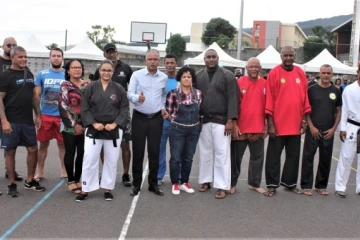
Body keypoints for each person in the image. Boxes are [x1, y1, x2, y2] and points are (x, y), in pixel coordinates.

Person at [77, 59, 129, 202]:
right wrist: (93, 123)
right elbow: (85, 108)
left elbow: (124, 109)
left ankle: (107, 188)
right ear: (99, 71)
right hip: (94, 128)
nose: (106, 73)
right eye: (104, 70)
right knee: (90, 158)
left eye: (109, 70)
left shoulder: (119, 88)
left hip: (113, 129)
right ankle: (86, 188)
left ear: (113, 72)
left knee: (111, 160)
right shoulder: (90, 87)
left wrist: (115, 123)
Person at [263, 46, 311, 197]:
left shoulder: (300, 73)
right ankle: (271, 185)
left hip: (295, 123)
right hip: (278, 124)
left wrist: (304, 121)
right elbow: (269, 98)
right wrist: (270, 124)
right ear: (281, 56)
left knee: (293, 156)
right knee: (273, 156)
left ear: (295, 55)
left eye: (291, 55)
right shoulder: (274, 73)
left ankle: (290, 184)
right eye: (286, 55)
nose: (289, 58)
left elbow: (304, 98)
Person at [0, 46, 45, 197]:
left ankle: (30, 180)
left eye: (25, 57)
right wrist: (4, 121)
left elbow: (33, 96)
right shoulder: (6, 75)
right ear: (12, 58)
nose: (24, 59)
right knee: (10, 152)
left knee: (33, 149)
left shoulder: (29, 73)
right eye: (20, 57)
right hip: (11, 121)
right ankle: (12, 184)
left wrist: (38, 115)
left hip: (27, 121)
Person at [194, 49, 239, 199]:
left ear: (218, 59)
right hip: (204, 119)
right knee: (205, 152)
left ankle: (222, 186)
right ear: (204, 59)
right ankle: (206, 180)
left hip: (222, 120)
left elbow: (233, 98)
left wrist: (230, 120)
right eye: (208, 57)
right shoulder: (198, 76)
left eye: (214, 57)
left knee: (222, 153)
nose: (211, 59)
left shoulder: (228, 75)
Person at [127, 49, 168, 197]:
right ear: (145, 60)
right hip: (140, 118)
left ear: (159, 61)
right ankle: (136, 185)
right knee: (138, 152)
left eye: (155, 59)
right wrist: (138, 98)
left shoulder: (163, 77)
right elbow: (129, 93)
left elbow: (163, 96)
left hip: (156, 119)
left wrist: (163, 108)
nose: (152, 62)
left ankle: (153, 184)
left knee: (154, 152)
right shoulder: (136, 75)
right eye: (150, 59)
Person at [93, 43, 133, 187]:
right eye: (109, 52)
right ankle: (106, 172)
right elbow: (95, 89)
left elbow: (133, 87)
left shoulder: (126, 69)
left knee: (125, 143)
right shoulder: (100, 70)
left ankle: (126, 174)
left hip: (123, 112)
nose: (112, 54)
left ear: (117, 53)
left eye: (114, 52)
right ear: (105, 55)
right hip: (104, 113)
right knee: (104, 143)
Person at [300, 64, 341, 196]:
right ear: (319, 73)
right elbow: (306, 110)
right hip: (313, 131)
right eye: (323, 73)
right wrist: (310, 126)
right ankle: (306, 185)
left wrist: (333, 129)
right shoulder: (311, 90)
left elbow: (339, 111)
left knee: (325, 159)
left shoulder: (335, 91)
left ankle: (321, 185)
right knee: (308, 158)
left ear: (332, 74)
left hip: (328, 131)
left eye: (328, 73)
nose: (326, 75)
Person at [229, 57, 267, 194]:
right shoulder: (239, 82)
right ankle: (232, 183)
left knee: (257, 158)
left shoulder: (265, 83)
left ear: (260, 68)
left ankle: (254, 183)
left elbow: (268, 106)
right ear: (246, 67)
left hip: (258, 128)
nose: (254, 69)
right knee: (235, 159)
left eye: (256, 66)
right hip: (240, 128)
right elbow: (233, 104)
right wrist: (234, 125)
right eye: (251, 66)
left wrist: (267, 124)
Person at [166, 66, 202, 195]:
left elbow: (200, 111)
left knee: (188, 158)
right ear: (180, 78)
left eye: (189, 77)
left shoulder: (198, 93)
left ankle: (184, 182)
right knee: (176, 157)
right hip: (177, 129)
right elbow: (169, 112)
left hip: (193, 130)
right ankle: (175, 183)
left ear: (192, 79)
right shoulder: (173, 93)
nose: (186, 79)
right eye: (184, 76)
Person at [34, 48, 66, 181]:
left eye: (59, 56)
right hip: (46, 115)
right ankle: (40, 171)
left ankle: (64, 169)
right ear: (49, 58)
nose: (56, 58)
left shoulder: (67, 74)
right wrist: (37, 115)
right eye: (54, 56)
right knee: (43, 144)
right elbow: (36, 95)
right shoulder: (42, 74)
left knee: (62, 144)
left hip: (62, 116)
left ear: (62, 58)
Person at [59, 59, 88, 194]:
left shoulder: (88, 85)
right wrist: (74, 124)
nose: (77, 69)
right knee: (70, 152)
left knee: (82, 153)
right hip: (69, 125)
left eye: (79, 67)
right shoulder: (65, 86)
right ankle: (71, 180)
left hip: (85, 126)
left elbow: (91, 106)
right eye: (73, 67)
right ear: (68, 70)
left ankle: (78, 179)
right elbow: (63, 107)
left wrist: (84, 124)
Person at [334, 67, 360, 198]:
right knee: (346, 157)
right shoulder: (349, 90)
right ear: (358, 73)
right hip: (352, 126)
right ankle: (340, 186)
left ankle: (359, 187)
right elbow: (343, 110)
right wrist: (342, 128)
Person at [1, 37, 23, 183]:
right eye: (9, 45)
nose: (11, 47)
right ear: (2, 46)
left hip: (11, 112)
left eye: (14, 45)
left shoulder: (18, 65)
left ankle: (10, 172)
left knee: (9, 146)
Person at [157, 53, 178, 185]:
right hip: (162, 121)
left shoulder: (182, 79)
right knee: (160, 150)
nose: (169, 65)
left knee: (177, 151)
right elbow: (157, 98)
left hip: (177, 122)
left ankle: (178, 177)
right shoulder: (160, 79)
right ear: (164, 64)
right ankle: (159, 176)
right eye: (167, 63)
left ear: (176, 63)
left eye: (172, 62)